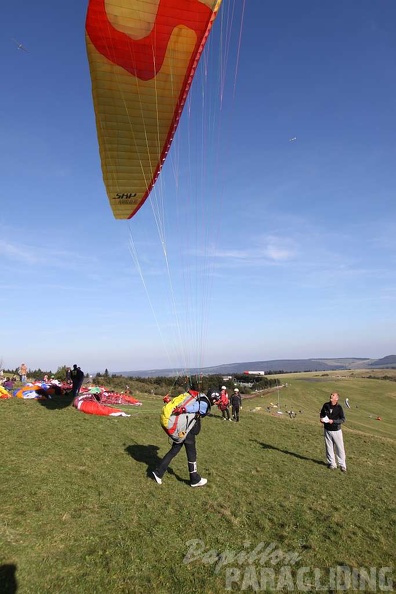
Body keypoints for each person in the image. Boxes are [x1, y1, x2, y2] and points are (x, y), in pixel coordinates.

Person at [152, 389, 220, 487]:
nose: (216, 402)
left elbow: (185, 404)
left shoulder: (199, 398)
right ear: (212, 398)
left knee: (174, 451)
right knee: (191, 454)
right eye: (215, 399)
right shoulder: (204, 403)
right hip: (188, 431)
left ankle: (158, 473)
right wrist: (183, 409)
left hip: (183, 429)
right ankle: (194, 479)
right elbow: (193, 407)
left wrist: (172, 404)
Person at [320, 392, 347, 472]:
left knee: (340, 448)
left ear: (337, 398)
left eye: (333, 395)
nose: (331, 396)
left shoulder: (339, 408)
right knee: (329, 447)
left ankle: (342, 465)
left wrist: (334, 421)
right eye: (331, 395)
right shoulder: (325, 405)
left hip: (336, 430)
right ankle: (332, 464)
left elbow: (343, 419)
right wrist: (321, 419)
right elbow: (322, 414)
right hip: (327, 429)